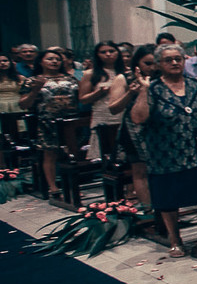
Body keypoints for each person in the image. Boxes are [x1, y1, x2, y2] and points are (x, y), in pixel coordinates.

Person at [131, 43, 197, 257]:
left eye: (178, 59)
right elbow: (138, 118)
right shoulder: (151, 88)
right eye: (168, 59)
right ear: (159, 64)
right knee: (168, 198)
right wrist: (143, 89)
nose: (174, 63)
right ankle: (175, 239)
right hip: (165, 154)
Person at [18, 48, 80, 199]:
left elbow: (82, 93)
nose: (54, 62)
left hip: (71, 121)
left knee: (72, 153)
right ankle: (53, 187)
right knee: (50, 154)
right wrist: (34, 91)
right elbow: (23, 105)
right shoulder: (33, 80)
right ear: (41, 61)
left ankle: (74, 186)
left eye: (57, 59)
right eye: (50, 59)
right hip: (48, 121)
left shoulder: (71, 78)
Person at [108, 43, 157, 206]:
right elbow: (113, 108)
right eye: (147, 63)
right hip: (134, 130)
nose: (152, 67)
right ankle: (149, 208)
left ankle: (166, 210)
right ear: (137, 63)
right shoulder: (124, 78)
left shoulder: (163, 77)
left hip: (159, 129)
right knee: (140, 170)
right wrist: (130, 93)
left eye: (155, 62)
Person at [79, 41, 124, 164]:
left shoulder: (126, 71)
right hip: (103, 114)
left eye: (111, 51)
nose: (108, 54)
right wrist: (97, 93)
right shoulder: (90, 73)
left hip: (123, 113)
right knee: (104, 154)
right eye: (103, 52)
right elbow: (83, 99)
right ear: (97, 55)